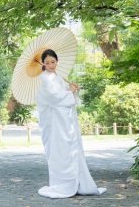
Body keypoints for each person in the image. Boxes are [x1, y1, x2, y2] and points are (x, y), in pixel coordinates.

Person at [36, 48, 106, 199]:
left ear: (57, 61)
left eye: (53, 62)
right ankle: (64, 184)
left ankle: (78, 182)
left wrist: (71, 89)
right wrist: (70, 92)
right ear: (43, 64)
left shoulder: (58, 76)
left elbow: (63, 94)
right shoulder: (44, 78)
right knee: (60, 148)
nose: (50, 65)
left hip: (66, 118)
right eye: (47, 63)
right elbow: (53, 97)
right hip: (56, 120)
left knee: (72, 147)